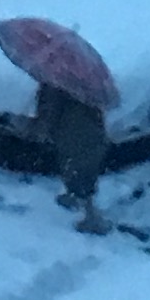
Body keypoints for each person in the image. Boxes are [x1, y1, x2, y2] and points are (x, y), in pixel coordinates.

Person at [37, 77, 113, 233]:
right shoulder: (86, 89)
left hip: (79, 140)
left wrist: (44, 127)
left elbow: (49, 113)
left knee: (82, 175)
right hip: (83, 138)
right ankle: (76, 197)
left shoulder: (59, 87)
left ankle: (92, 217)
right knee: (77, 171)